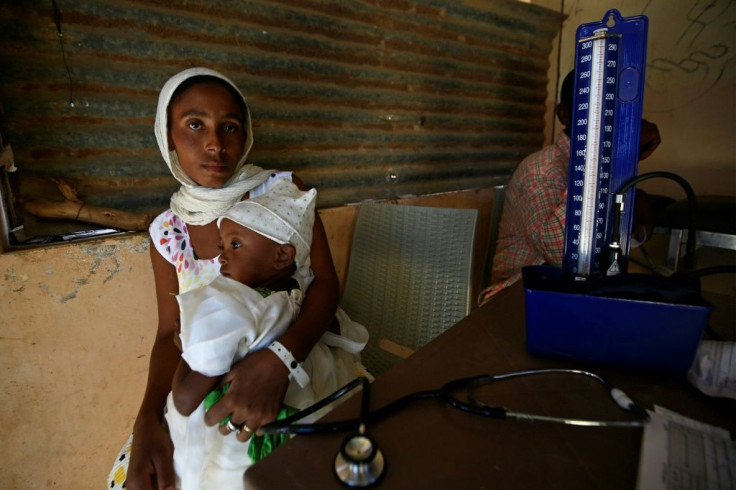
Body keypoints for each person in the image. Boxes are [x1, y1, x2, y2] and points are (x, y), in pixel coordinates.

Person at [109, 67, 346, 490]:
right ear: (168, 137)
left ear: (245, 134)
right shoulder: (168, 232)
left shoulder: (280, 193)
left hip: (299, 359)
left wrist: (280, 361)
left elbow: (326, 284)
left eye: (229, 127)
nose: (215, 143)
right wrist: (147, 420)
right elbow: (170, 333)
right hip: (208, 383)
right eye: (194, 125)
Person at [166, 178, 368, 489]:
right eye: (223, 247)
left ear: (282, 256)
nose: (222, 257)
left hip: (231, 438)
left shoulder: (231, 306)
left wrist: (185, 351)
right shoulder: (291, 294)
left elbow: (184, 398)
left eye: (235, 245)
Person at [478, 70, 662, 306]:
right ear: (564, 115)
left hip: (572, 294)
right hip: (516, 298)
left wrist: (635, 208)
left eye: (615, 112)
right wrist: (613, 157)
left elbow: (618, 239)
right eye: (596, 112)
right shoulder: (543, 171)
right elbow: (561, 254)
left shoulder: (601, 166)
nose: (607, 123)